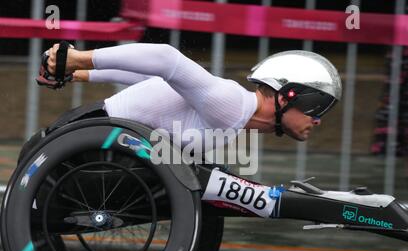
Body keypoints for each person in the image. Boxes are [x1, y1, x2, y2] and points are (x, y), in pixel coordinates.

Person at [43, 42, 342, 147]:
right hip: (85, 132)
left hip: (99, 139)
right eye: (315, 108)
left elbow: (152, 77)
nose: (317, 121)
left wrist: (81, 75)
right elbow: (164, 59)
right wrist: (79, 59)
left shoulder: (234, 119)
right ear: (285, 96)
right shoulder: (231, 105)